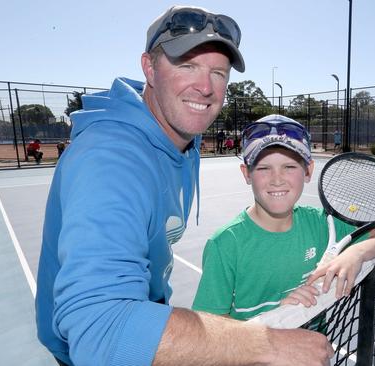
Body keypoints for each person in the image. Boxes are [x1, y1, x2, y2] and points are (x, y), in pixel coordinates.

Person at [35, 6, 332, 366]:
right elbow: (101, 330)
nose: (205, 87)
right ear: (149, 68)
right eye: (186, 65)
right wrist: (269, 343)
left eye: (218, 73)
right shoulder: (111, 160)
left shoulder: (177, 139)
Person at [192, 115, 375, 326]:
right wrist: (277, 318)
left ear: (308, 171)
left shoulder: (320, 224)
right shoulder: (225, 244)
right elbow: (208, 329)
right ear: (247, 174)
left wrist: (355, 253)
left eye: (289, 167)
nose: (277, 179)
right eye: (263, 168)